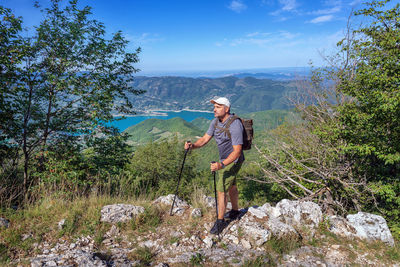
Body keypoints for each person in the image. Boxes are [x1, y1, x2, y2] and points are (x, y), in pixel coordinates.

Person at [184, 96, 244, 235]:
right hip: (224, 160)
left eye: (218, 107)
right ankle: (235, 211)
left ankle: (220, 221)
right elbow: (205, 139)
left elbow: (237, 151)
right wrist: (192, 146)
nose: (214, 109)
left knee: (221, 189)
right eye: (214, 107)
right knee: (232, 186)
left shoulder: (235, 125)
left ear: (226, 109)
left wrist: (221, 165)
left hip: (233, 160)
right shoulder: (215, 122)